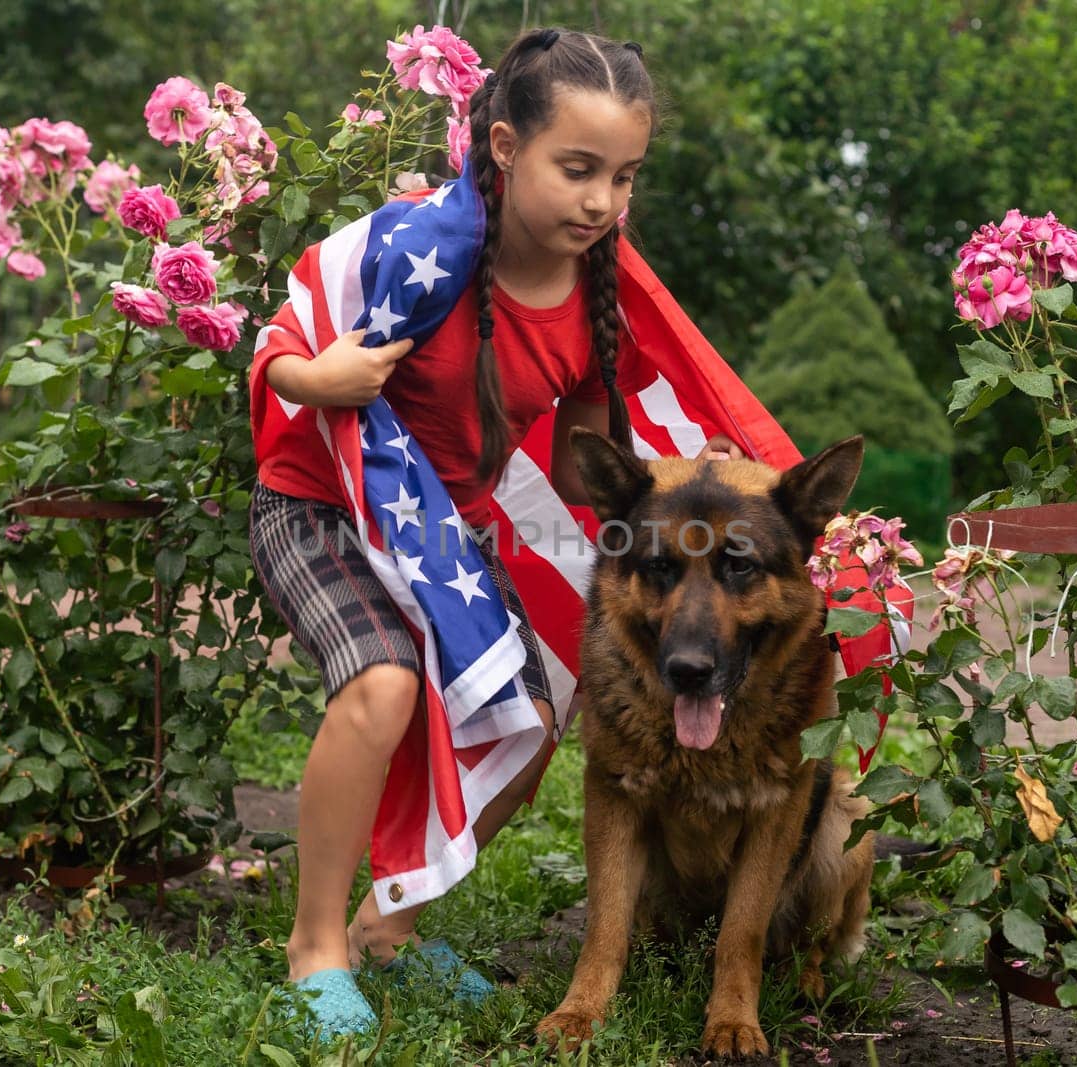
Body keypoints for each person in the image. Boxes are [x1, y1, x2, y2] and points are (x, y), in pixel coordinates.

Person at [247, 26, 747, 1039]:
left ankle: (393, 929)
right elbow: (278, 340)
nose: (601, 202)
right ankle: (317, 944)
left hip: (449, 541)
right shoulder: (414, 246)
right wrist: (318, 378)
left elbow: (592, 473)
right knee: (383, 684)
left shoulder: (593, 299)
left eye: (623, 176)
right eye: (577, 168)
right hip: (322, 502)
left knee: (528, 717)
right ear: (506, 146)